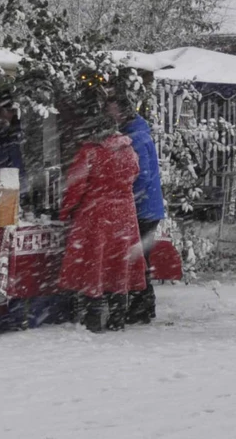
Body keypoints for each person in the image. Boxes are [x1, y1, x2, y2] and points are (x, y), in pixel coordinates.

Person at [57, 106, 147, 332]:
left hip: (96, 214)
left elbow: (75, 186)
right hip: (125, 213)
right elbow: (134, 174)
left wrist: (65, 210)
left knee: (95, 264)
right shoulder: (129, 150)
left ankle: (94, 318)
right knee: (119, 264)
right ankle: (118, 316)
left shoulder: (90, 152)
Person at [107, 96, 165, 325]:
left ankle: (142, 306)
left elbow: (140, 176)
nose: (111, 116)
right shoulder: (139, 133)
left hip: (143, 208)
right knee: (141, 257)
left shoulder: (135, 139)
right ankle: (144, 305)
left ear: (123, 113)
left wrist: (126, 195)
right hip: (148, 206)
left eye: (113, 111)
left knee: (138, 258)